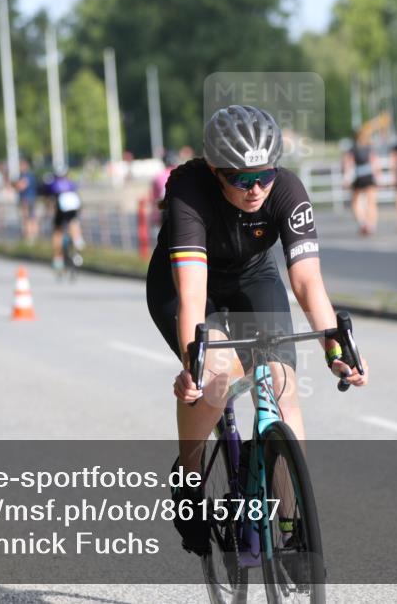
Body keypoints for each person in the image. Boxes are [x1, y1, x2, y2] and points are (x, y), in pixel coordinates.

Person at [145, 105, 368, 556]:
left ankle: (293, 523)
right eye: (241, 179)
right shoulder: (190, 191)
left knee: (282, 385)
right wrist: (193, 363)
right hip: (188, 283)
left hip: (253, 277)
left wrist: (335, 348)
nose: (256, 189)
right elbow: (192, 295)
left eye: (264, 175)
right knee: (217, 375)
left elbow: (307, 282)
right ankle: (189, 480)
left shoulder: (287, 189)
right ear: (215, 171)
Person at [46, 170, 85, 272]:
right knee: (74, 222)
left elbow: (50, 200)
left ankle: (57, 259)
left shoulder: (53, 184)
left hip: (61, 208)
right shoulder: (71, 183)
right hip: (73, 206)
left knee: (58, 231)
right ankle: (77, 240)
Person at [343, 132, 380, 236]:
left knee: (355, 202)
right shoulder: (369, 148)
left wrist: (346, 179)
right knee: (371, 202)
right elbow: (375, 163)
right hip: (369, 176)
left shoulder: (352, 150)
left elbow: (348, 165)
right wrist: (377, 177)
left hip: (359, 177)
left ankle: (362, 223)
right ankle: (371, 225)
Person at [15, 159, 39, 242]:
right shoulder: (28, 175)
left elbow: (21, 186)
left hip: (27, 198)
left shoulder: (26, 175)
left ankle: (29, 235)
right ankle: (32, 235)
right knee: (31, 217)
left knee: (28, 217)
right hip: (30, 198)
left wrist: (16, 185)